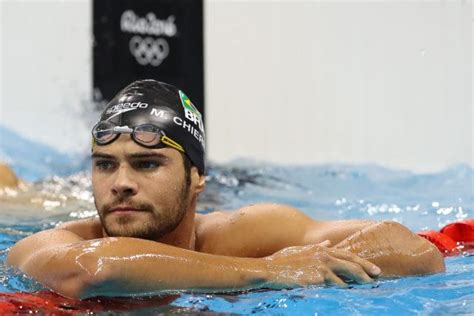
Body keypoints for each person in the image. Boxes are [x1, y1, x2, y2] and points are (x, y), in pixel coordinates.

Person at [6, 80, 445, 299]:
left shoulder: (241, 233)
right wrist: (270, 273)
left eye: (147, 163)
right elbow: (95, 269)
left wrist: (317, 266)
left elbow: (415, 251)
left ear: (197, 177)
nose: (120, 183)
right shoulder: (48, 246)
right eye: (105, 165)